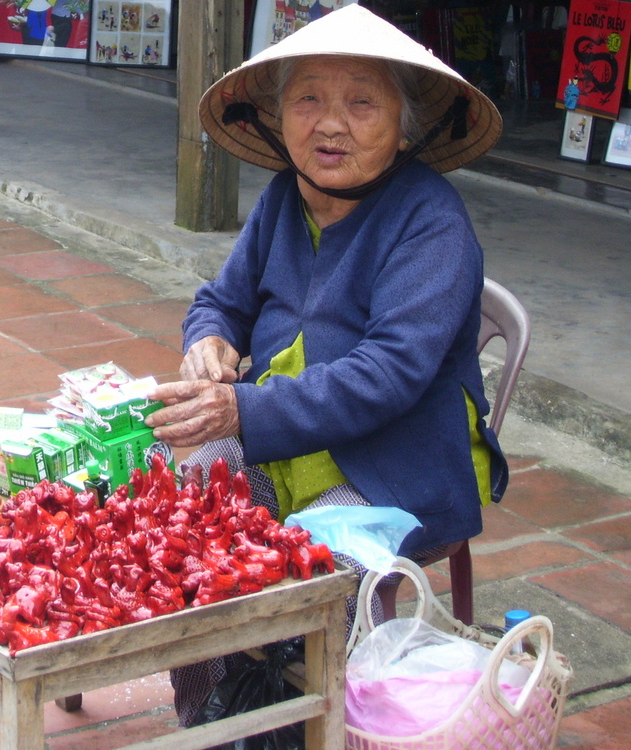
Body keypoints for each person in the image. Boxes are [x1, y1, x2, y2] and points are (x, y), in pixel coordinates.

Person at [143, 5, 508, 726]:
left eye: (362, 102)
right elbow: (221, 299)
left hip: (391, 465)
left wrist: (242, 410)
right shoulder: (285, 198)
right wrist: (210, 339)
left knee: (296, 577)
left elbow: (390, 373)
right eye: (308, 98)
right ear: (279, 119)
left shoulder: (432, 223)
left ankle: (301, 720)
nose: (330, 124)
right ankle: (210, 718)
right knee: (171, 515)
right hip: (281, 446)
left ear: (404, 128)